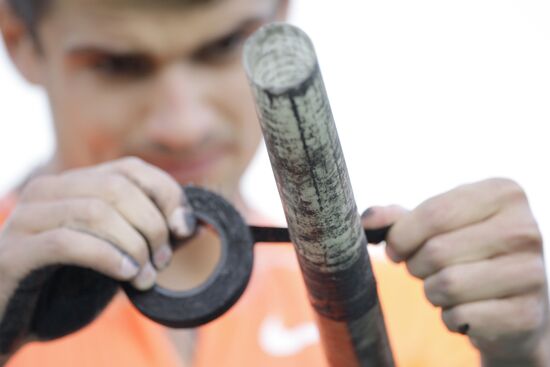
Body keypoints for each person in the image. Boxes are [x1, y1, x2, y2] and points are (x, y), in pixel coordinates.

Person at [0, 0, 548, 366]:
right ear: (20, 40)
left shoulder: (427, 306)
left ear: (279, 14)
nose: (183, 124)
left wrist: (525, 355)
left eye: (221, 47)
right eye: (119, 65)